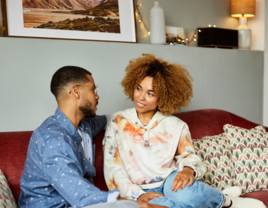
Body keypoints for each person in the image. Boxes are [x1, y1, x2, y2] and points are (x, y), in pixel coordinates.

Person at [103, 54, 266, 208]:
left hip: (169, 181)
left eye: (150, 93)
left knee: (189, 196)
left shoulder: (176, 125)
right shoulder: (118, 120)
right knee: (154, 206)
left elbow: (190, 157)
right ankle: (212, 198)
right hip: (134, 187)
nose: (141, 97)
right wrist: (136, 194)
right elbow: (112, 167)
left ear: (163, 97)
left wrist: (189, 169)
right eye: (139, 89)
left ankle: (228, 201)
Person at [18, 66, 167, 208]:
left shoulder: (84, 126)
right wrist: (138, 204)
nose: (97, 95)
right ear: (76, 92)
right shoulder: (53, 139)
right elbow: (81, 196)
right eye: (93, 89)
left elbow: (112, 119)